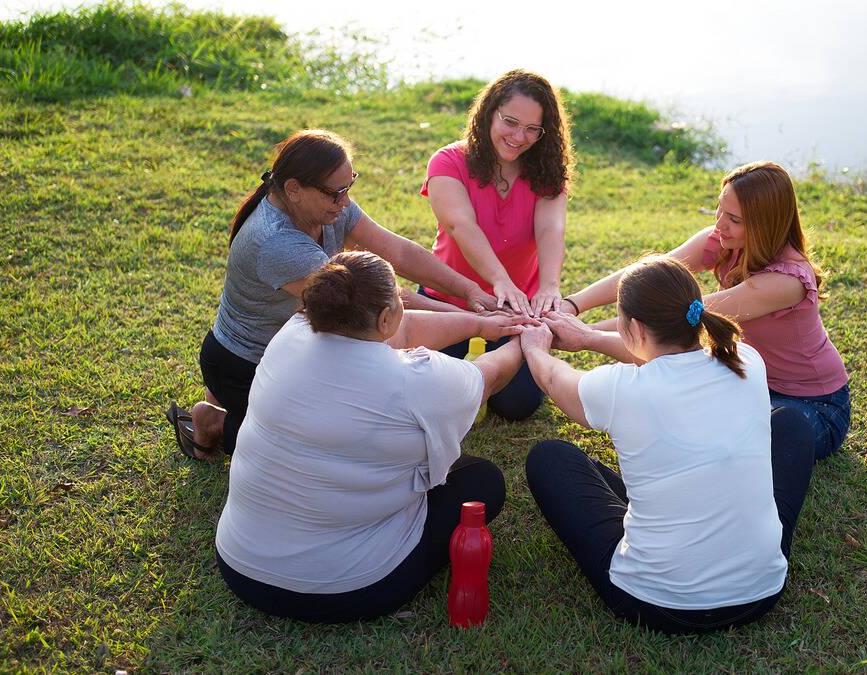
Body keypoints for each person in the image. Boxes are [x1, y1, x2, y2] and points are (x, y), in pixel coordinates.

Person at [215, 251, 524, 623]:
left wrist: (479, 324)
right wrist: (526, 338)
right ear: (384, 317)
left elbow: (403, 330)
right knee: (480, 480)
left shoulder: (292, 334)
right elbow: (488, 377)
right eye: (399, 297)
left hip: (239, 565)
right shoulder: (416, 379)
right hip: (350, 590)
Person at [520, 256, 814, 634]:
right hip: (761, 591)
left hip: (657, 603)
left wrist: (534, 347)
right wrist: (590, 338)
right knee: (791, 424)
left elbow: (551, 378)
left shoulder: (621, 389)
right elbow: (671, 355)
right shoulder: (746, 360)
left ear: (636, 329)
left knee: (551, 457)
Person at [165, 129, 499, 460]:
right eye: (335, 193)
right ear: (293, 189)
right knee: (316, 451)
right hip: (245, 362)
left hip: (300, 352)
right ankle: (214, 420)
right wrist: (474, 318)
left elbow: (397, 252)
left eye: (348, 187)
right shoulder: (277, 243)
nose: (345, 201)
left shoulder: (329, 207)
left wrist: (470, 292)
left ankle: (236, 407)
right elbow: (380, 301)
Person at [550, 161, 849, 459]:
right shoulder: (725, 240)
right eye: (719, 208)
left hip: (812, 405)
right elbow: (648, 274)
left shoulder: (787, 281)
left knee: (714, 435)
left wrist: (583, 334)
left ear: (765, 224)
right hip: (746, 385)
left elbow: (674, 313)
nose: (720, 224)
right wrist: (572, 305)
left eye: (734, 218)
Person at [419, 69, 574, 421]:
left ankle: (528, 347)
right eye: (511, 122)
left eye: (533, 129)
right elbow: (461, 225)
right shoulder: (447, 162)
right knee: (428, 390)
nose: (520, 137)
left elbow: (551, 228)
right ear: (489, 113)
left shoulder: (547, 169)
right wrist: (499, 279)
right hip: (450, 301)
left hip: (518, 308)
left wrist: (549, 287)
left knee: (517, 405)